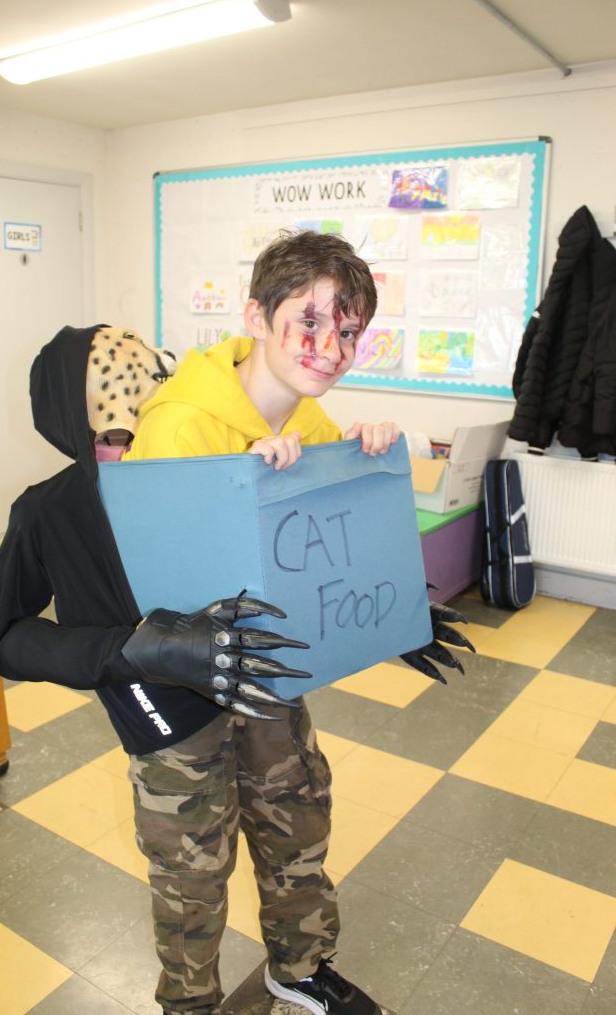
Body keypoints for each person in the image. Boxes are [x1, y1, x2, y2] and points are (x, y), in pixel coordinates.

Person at [121, 230, 470, 1015]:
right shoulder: (179, 424)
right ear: (256, 316)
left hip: (267, 667)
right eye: (308, 323)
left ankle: (300, 966)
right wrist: (240, 479)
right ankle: (189, 1004)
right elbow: (153, 580)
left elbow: (323, 555)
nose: (330, 349)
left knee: (296, 813)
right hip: (180, 685)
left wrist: (359, 461)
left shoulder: (308, 415)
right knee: (191, 859)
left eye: (347, 331)